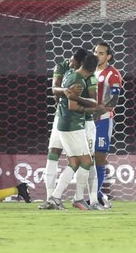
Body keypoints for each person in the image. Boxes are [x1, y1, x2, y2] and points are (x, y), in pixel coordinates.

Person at [47, 53, 98, 210]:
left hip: (65, 124)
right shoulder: (77, 80)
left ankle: (55, 198)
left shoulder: (70, 74)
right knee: (87, 161)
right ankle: (76, 198)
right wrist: (96, 107)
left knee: (75, 162)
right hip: (71, 125)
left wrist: (93, 104)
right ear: (94, 68)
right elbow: (73, 106)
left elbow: (63, 94)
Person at [39, 48, 88, 210]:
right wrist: (66, 92)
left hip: (74, 121)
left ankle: (60, 197)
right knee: (54, 155)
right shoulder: (61, 67)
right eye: (72, 60)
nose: (71, 63)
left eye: (74, 61)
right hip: (61, 118)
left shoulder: (83, 75)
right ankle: (50, 198)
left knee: (77, 160)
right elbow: (54, 89)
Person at [93, 42, 124, 208]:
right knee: (86, 158)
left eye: (101, 53)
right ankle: (91, 195)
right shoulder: (91, 71)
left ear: (108, 56)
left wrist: (99, 112)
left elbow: (115, 99)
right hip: (87, 120)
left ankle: (97, 195)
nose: (97, 55)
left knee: (99, 157)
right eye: (96, 52)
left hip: (103, 120)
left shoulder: (112, 73)